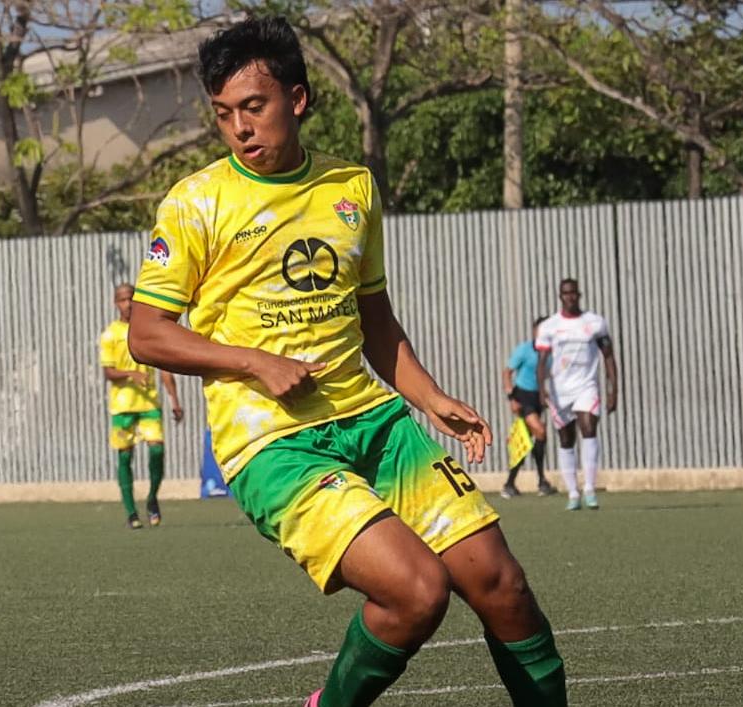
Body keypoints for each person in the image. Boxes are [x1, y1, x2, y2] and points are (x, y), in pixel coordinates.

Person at [126, 17, 566, 707]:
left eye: (253, 107)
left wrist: (429, 395)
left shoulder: (353, 188)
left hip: (376, 422)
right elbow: (146, 334)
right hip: (272, 443)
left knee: (501, 584)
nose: (239, 127)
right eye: (224, 114)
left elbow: (376, 321)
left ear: (296, 101)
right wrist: (253, 362)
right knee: (417, 592)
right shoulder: (196, 202)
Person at [99, 283, 184, 528]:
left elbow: (164, 367)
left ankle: (152, 499)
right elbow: (108, 372)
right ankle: (131, 513)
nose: (127, 303)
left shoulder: (146, 332)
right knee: (125, 457)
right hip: (123, 406)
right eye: (122, 299)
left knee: (157, 450)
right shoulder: (110, 334)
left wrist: (174, 400)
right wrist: (130, 375)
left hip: (149, 404)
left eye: (131, 298)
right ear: (116, 303)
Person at [534, 279, 618, 511]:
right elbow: (541, 362)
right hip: (561, 390)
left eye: (573, 293)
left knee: (589, 429)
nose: (570, 297)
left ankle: (590, 489)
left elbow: (608, 356)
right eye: (565, 294)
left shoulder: (595, 323)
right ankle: (573, 492)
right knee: (566, 438)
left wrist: (613, 390)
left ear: (579, 295)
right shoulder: (549, 326)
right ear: (560, 296)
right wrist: (542, 390)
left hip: (586, 386)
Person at [502, 317, 557, 498]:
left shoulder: (550, 353)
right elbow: (507, 372)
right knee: (540, 432)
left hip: (536, 397)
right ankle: (541, 480)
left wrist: (546, 394)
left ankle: (510, 484)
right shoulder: (524, 350)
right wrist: (511, 397)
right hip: (523, 396)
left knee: (525, 441)